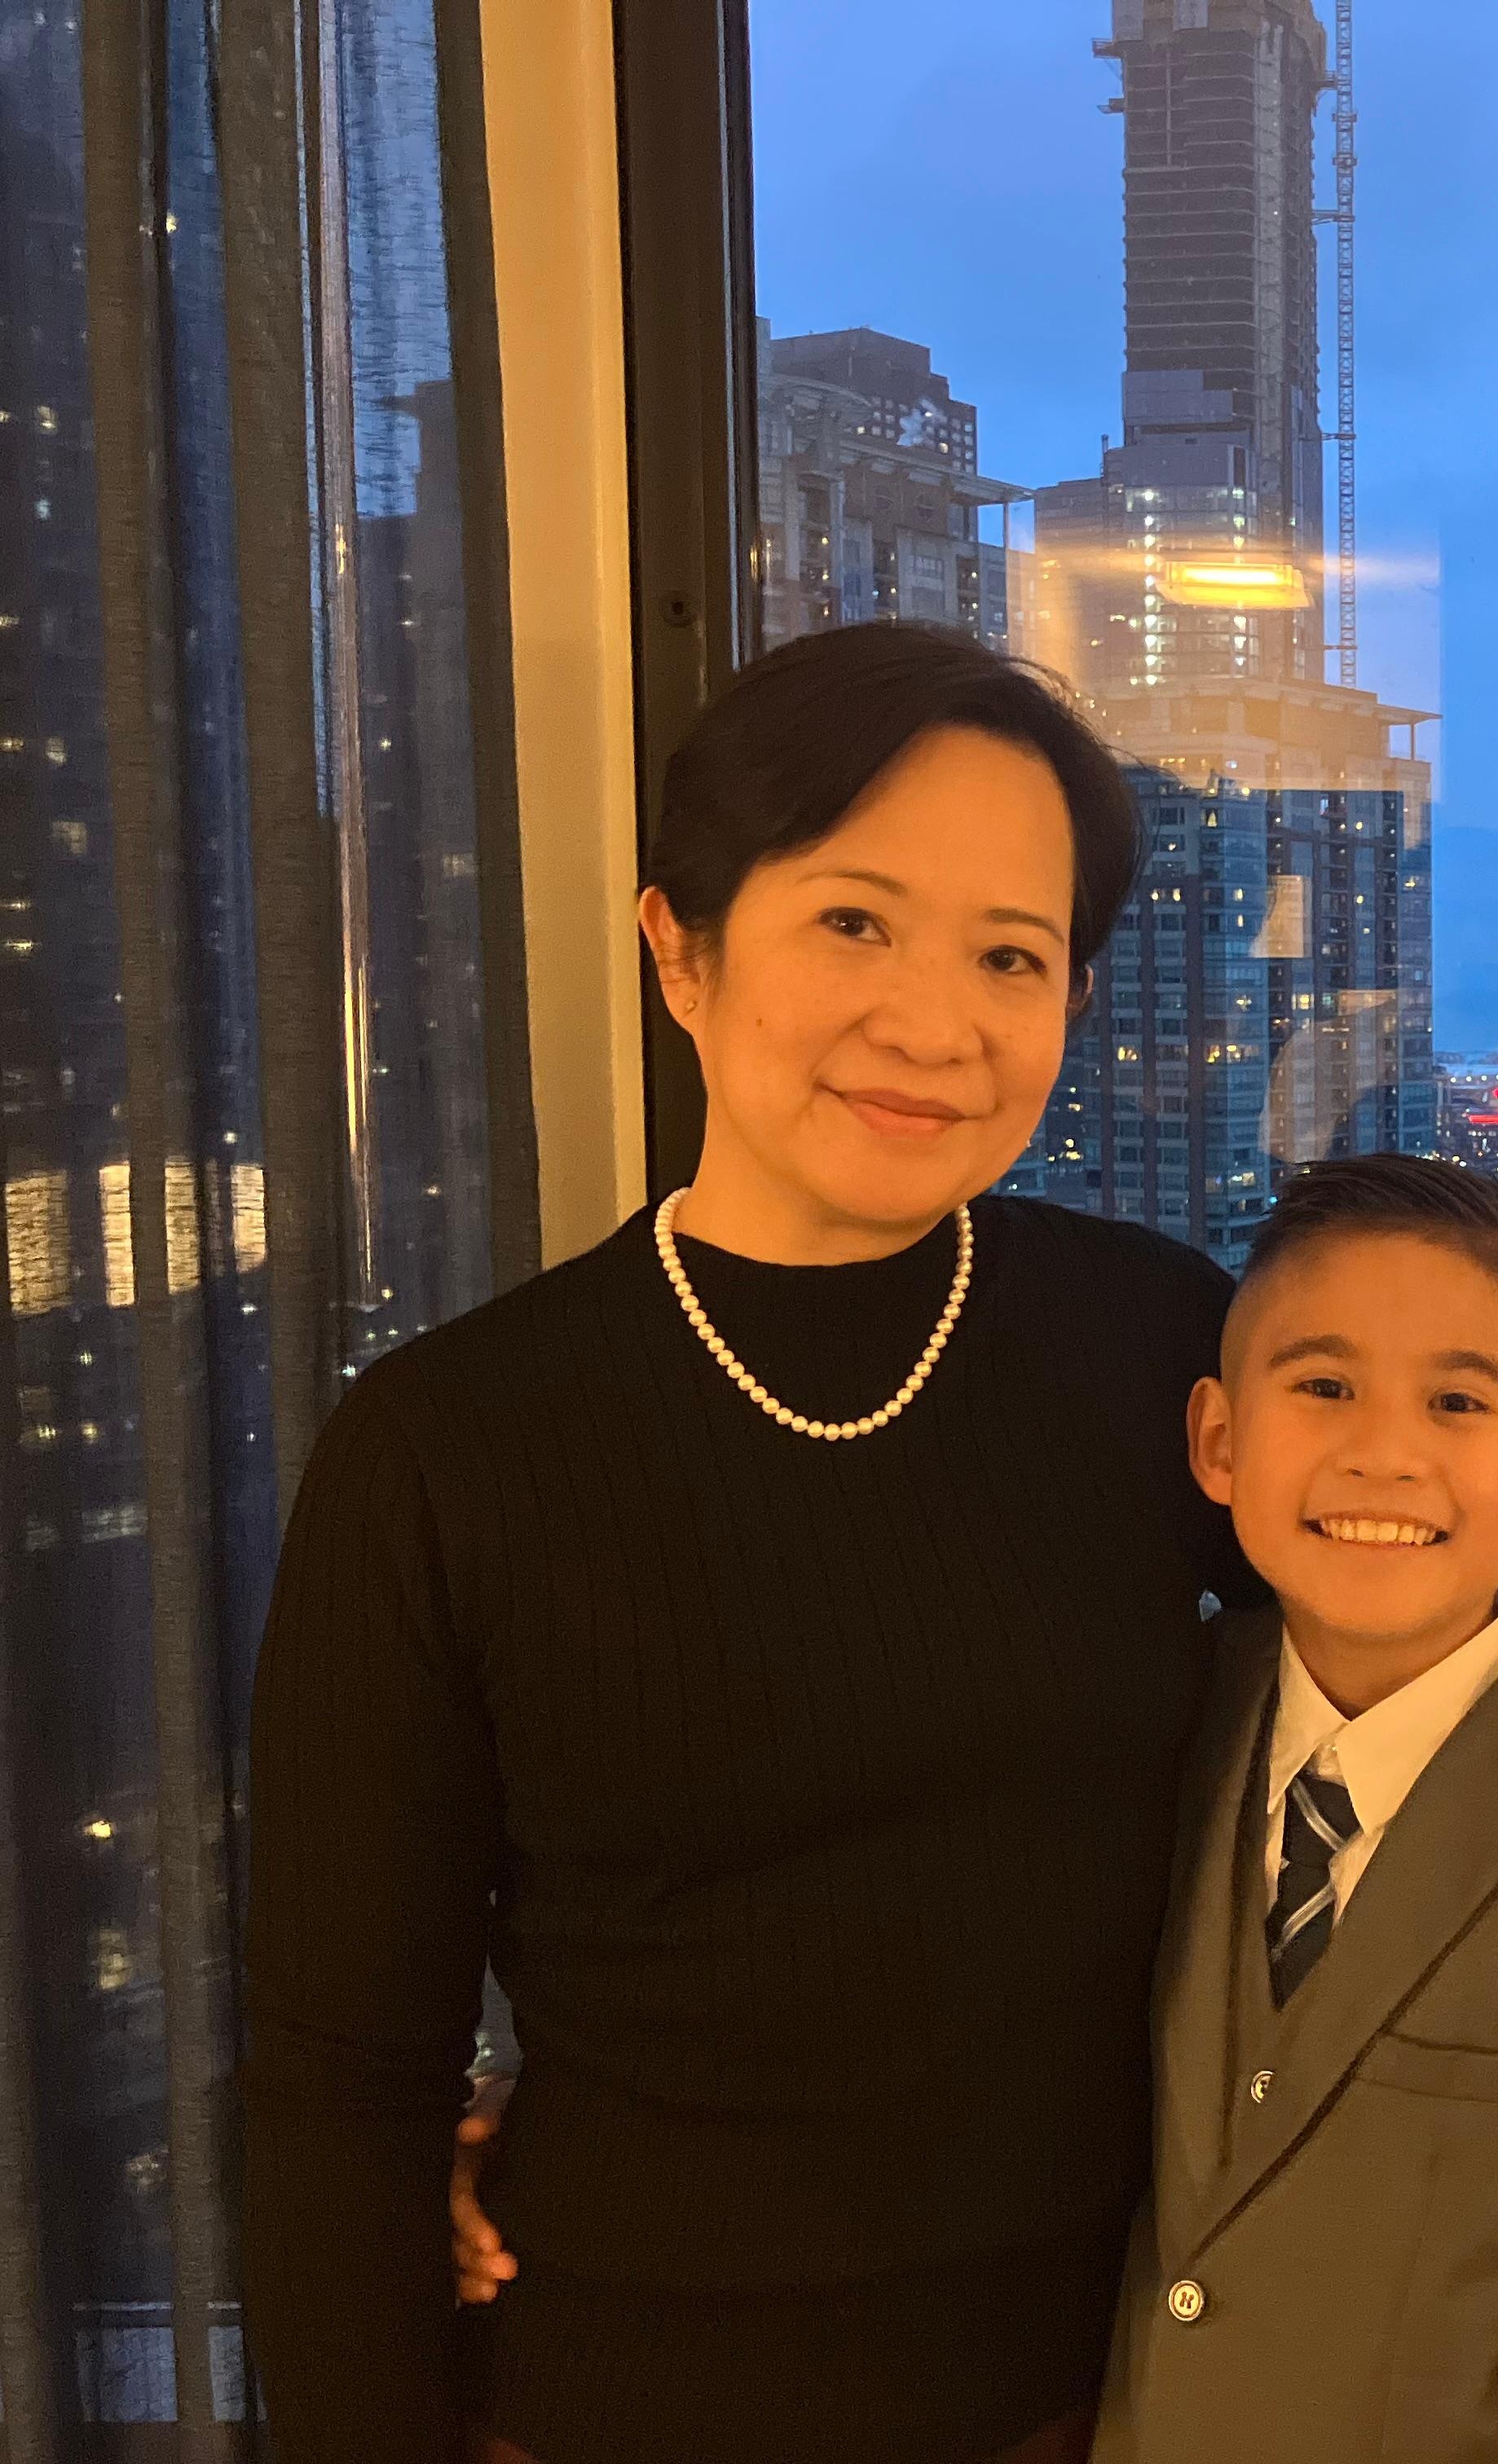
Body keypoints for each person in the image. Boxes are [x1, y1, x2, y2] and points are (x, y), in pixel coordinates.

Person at [241, 622, 1257, 2464]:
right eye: (854, 922)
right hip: (623, 2403)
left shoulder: (1158, 1348)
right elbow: (341, 2083)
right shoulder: (448, 1449)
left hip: (1119, 2404)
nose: (936, 1026)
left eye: (1012, 956)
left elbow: (1434, 1723)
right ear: (680, 950)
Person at [456, 1155, 1498, 2462]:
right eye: (1324, 1386)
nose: (1383, 1454)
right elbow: (912, 1959)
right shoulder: (1148, 1723)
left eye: (1458, 1404)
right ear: (1218, 1441)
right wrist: (564, 2127)